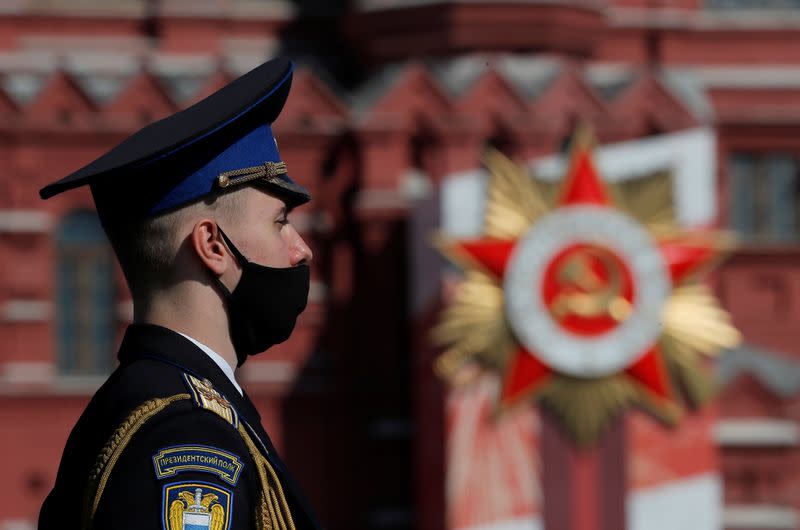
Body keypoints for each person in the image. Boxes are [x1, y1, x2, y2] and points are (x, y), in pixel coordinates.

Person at [36, 57, 322, 530]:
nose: (302, 250)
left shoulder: (148, 401)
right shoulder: (190, 438)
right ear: (212, 245)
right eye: (280, 222)